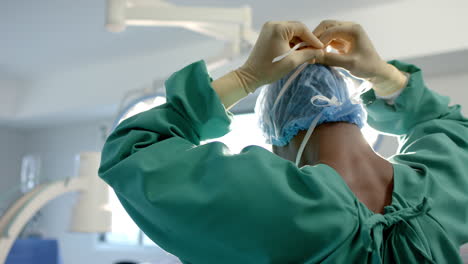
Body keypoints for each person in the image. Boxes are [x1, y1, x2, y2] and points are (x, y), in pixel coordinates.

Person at [98, 20, 468, 263]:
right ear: (355, 115)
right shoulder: (442, 183)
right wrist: (384, 75)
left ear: (279, 136)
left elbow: (133, 151)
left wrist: (245, 78)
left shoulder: (274, 202)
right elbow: (444, 122)